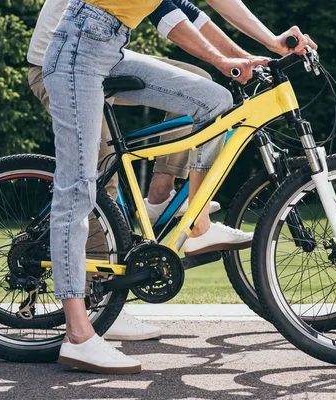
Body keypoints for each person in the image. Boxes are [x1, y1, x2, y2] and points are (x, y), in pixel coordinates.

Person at [43, 0, 316, 374]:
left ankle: (194, 223)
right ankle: (77, 334)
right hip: (77, 50)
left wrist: (270, 42)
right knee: (78, 190)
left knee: (214, 99)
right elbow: (172, 21)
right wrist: (222, 60)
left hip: (110, 46)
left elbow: (212, 5)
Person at [27, 0, 224, 342]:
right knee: (103, 182)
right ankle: (98, 303)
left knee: (200, 83)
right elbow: (169, 16)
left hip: (106, 59)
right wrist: (228, 59)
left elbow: (192, 12)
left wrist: (251, 52)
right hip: (58, 62)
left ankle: (159, 198)